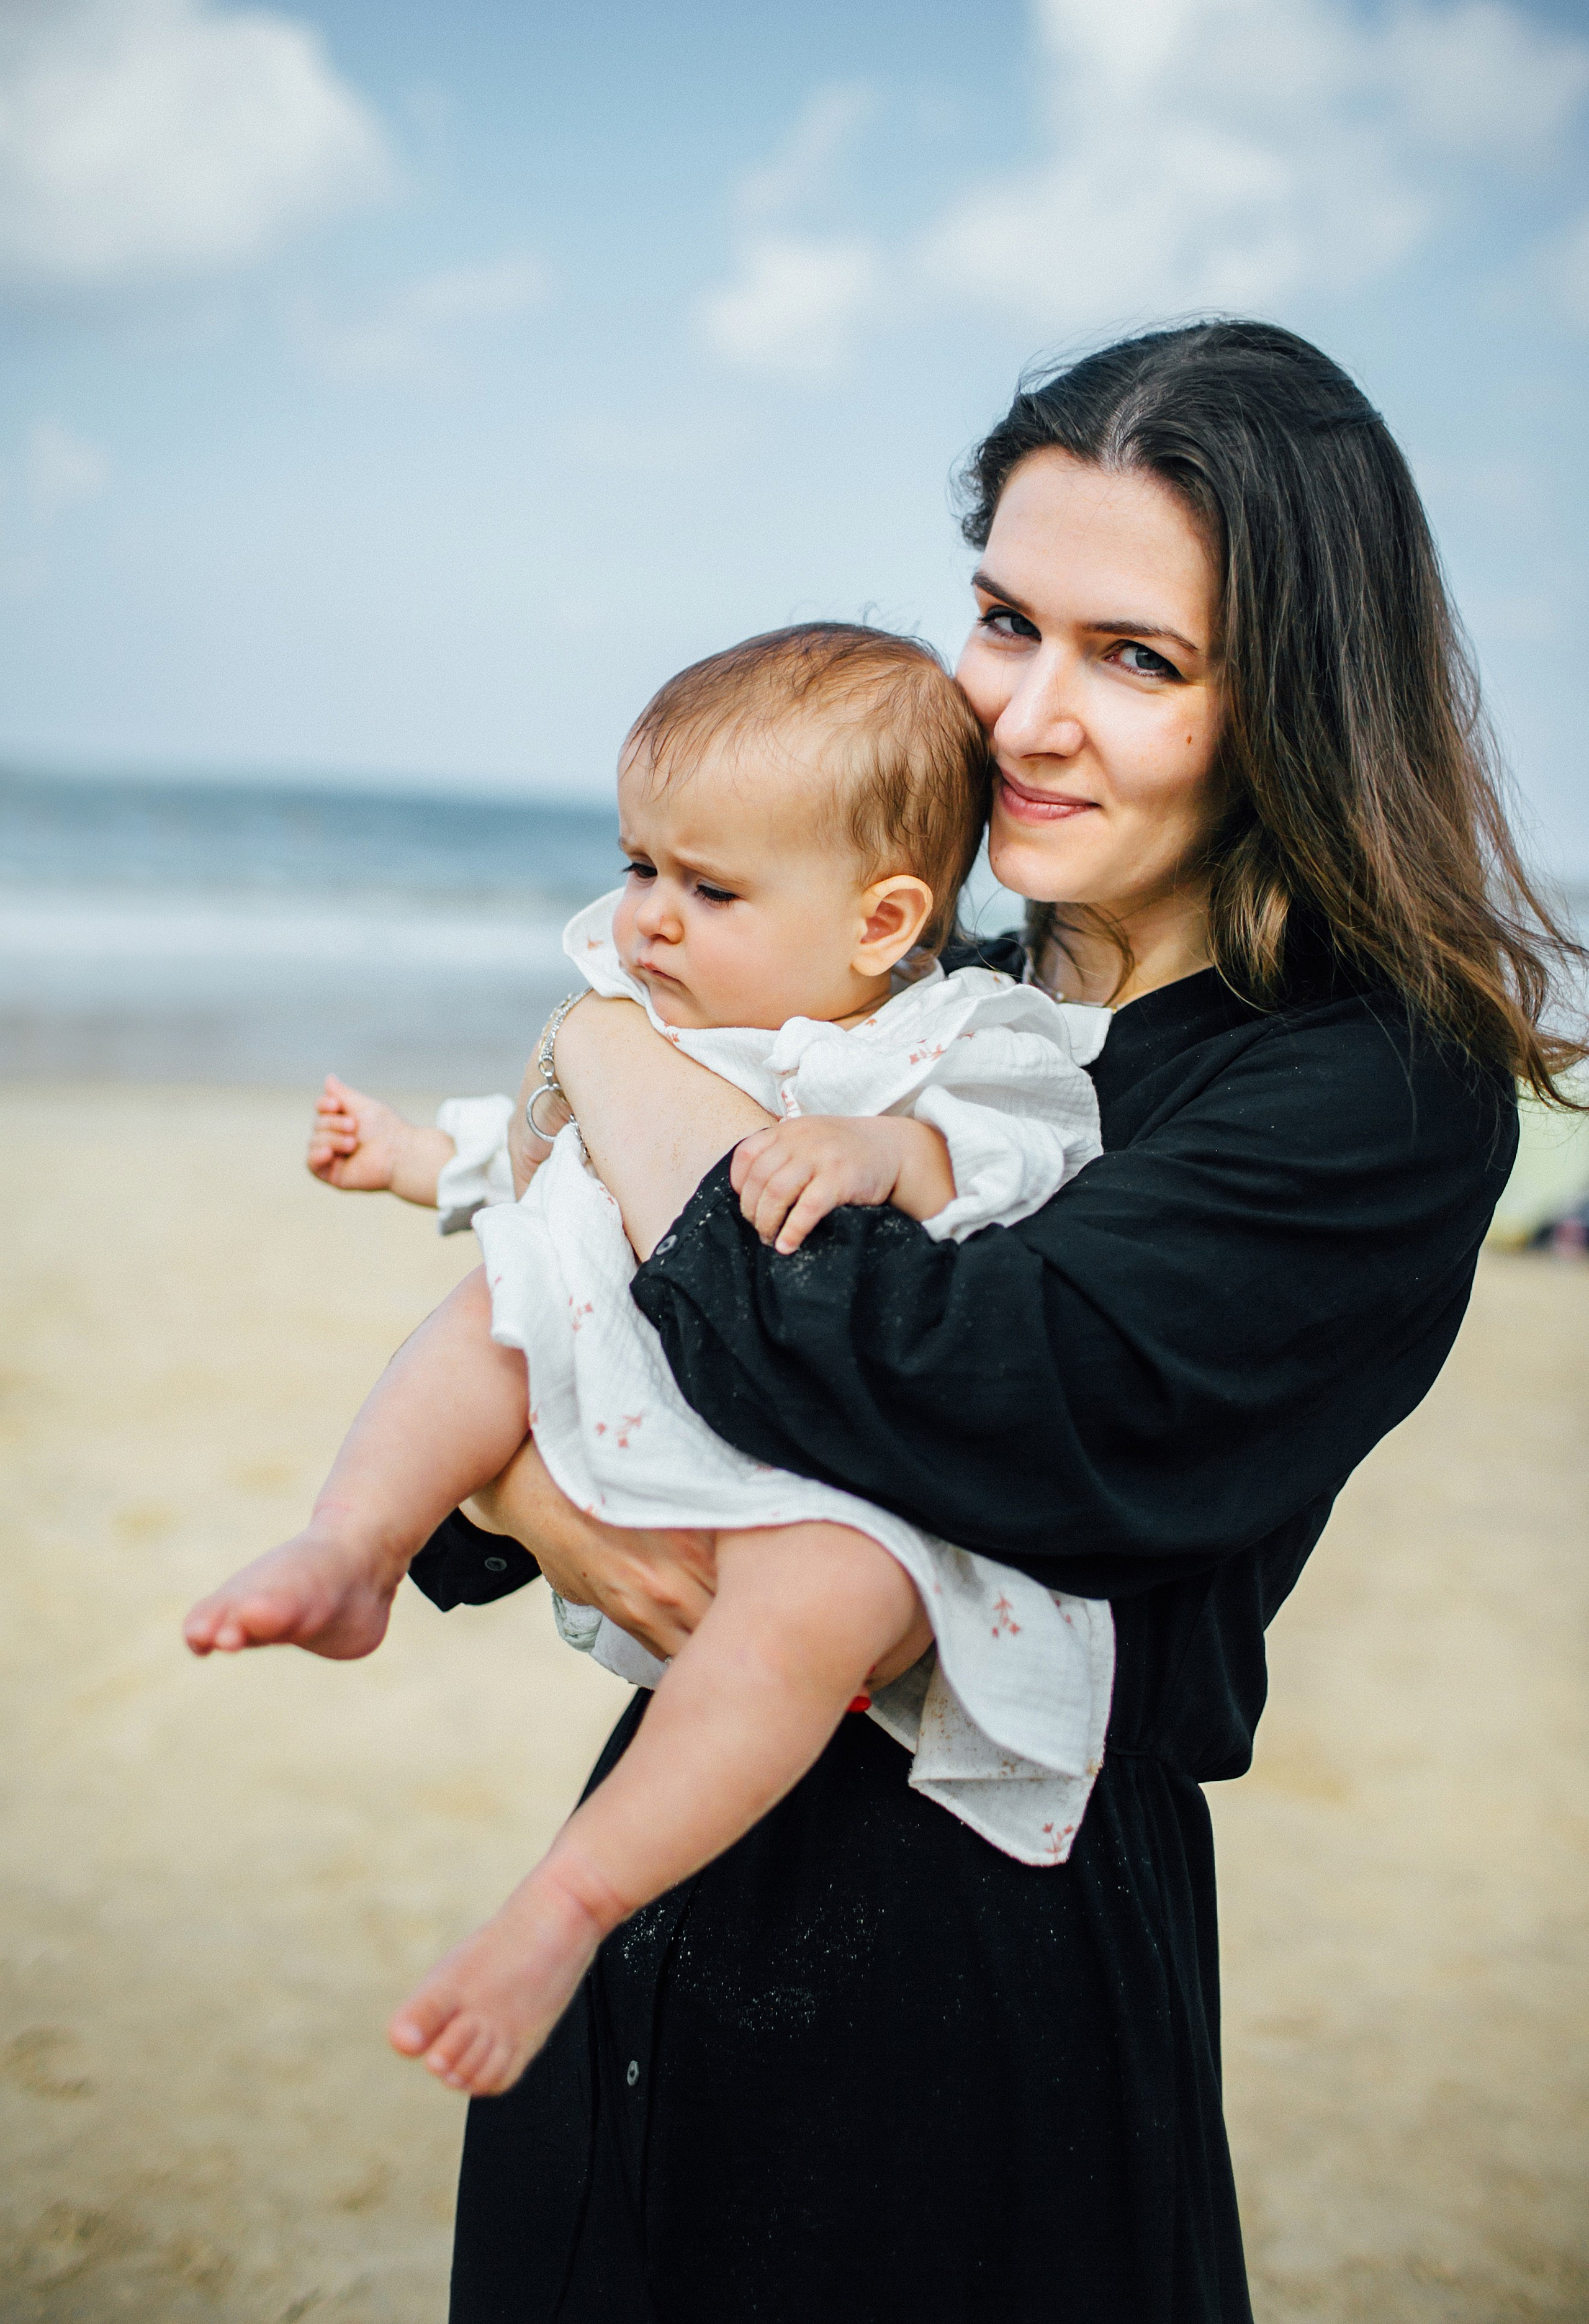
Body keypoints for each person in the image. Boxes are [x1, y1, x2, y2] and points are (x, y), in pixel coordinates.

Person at [396, 321, 1583, 2324]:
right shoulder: (907, 978)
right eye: (1005, 620)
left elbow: (976, 1397)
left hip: (985, 1966)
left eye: (1138, 658)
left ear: (1292, 689)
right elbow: (560, 1320)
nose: (1029, 716)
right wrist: (525, 1496)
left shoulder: (1370, 1087)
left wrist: (607, 1044)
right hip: (654, 1870)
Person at [184, 625, 1116, 2100]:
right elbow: (546, 1159)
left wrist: (888, 1149)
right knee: (494, 1311)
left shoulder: (949, 1038)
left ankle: (565, 1903)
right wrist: (419, 1159)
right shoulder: (659, 1019)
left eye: (708, 888)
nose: (647, 922)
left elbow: (1024, 1154)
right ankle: (351, 1547)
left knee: (822, 1602)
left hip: (816, 1463)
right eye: (638, 869)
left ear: (882, 922)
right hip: (630, 1380)